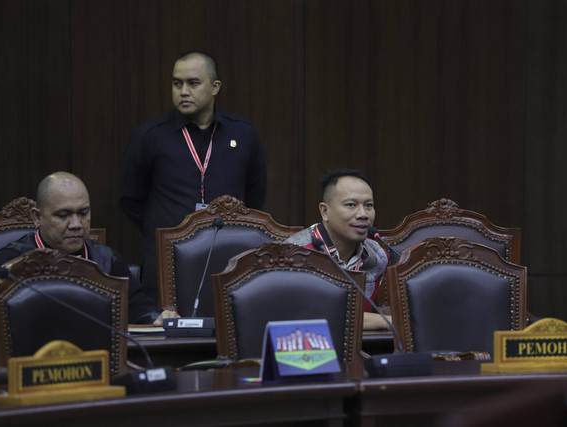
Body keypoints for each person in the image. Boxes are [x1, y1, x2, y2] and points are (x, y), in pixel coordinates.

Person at [119, 50, 267, 300]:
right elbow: (130, 197)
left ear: (215, 87)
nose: (183, 91)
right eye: (177, 83)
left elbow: (254, 194)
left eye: (193, 83)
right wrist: (166, 227)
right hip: (168, 260)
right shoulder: (150, 136)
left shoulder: (242, 134)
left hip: (228, 259)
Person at [0, 172, 178, 325]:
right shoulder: (12, 262)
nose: (77, 224)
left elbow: (139, 308)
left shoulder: (107, 259)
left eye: (83, 213)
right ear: (37, 217)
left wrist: (158, 317)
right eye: (63, 215)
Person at [286, 168, 390, 330]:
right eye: (351, 205)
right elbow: (314, 316)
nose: (363, 214)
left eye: (369, 205)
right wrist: (388, 321)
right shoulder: (294, 253)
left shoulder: (378, 256)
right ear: (325, 211)